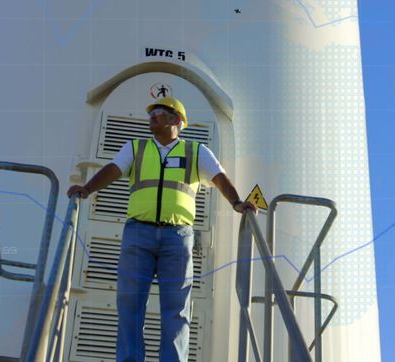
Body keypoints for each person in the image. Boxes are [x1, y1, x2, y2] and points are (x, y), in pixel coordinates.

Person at [67, 96, 257, 362]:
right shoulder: (136, 148)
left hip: (177, 237)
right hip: (137, 234)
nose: (152, 116)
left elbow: (219, 177)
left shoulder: (196, 151)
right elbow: (112, 169)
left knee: (176, 309)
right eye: (151, 113)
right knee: (130, 305)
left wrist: (237, 202)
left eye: (158, 112)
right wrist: (86, 188)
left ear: (176, 120)